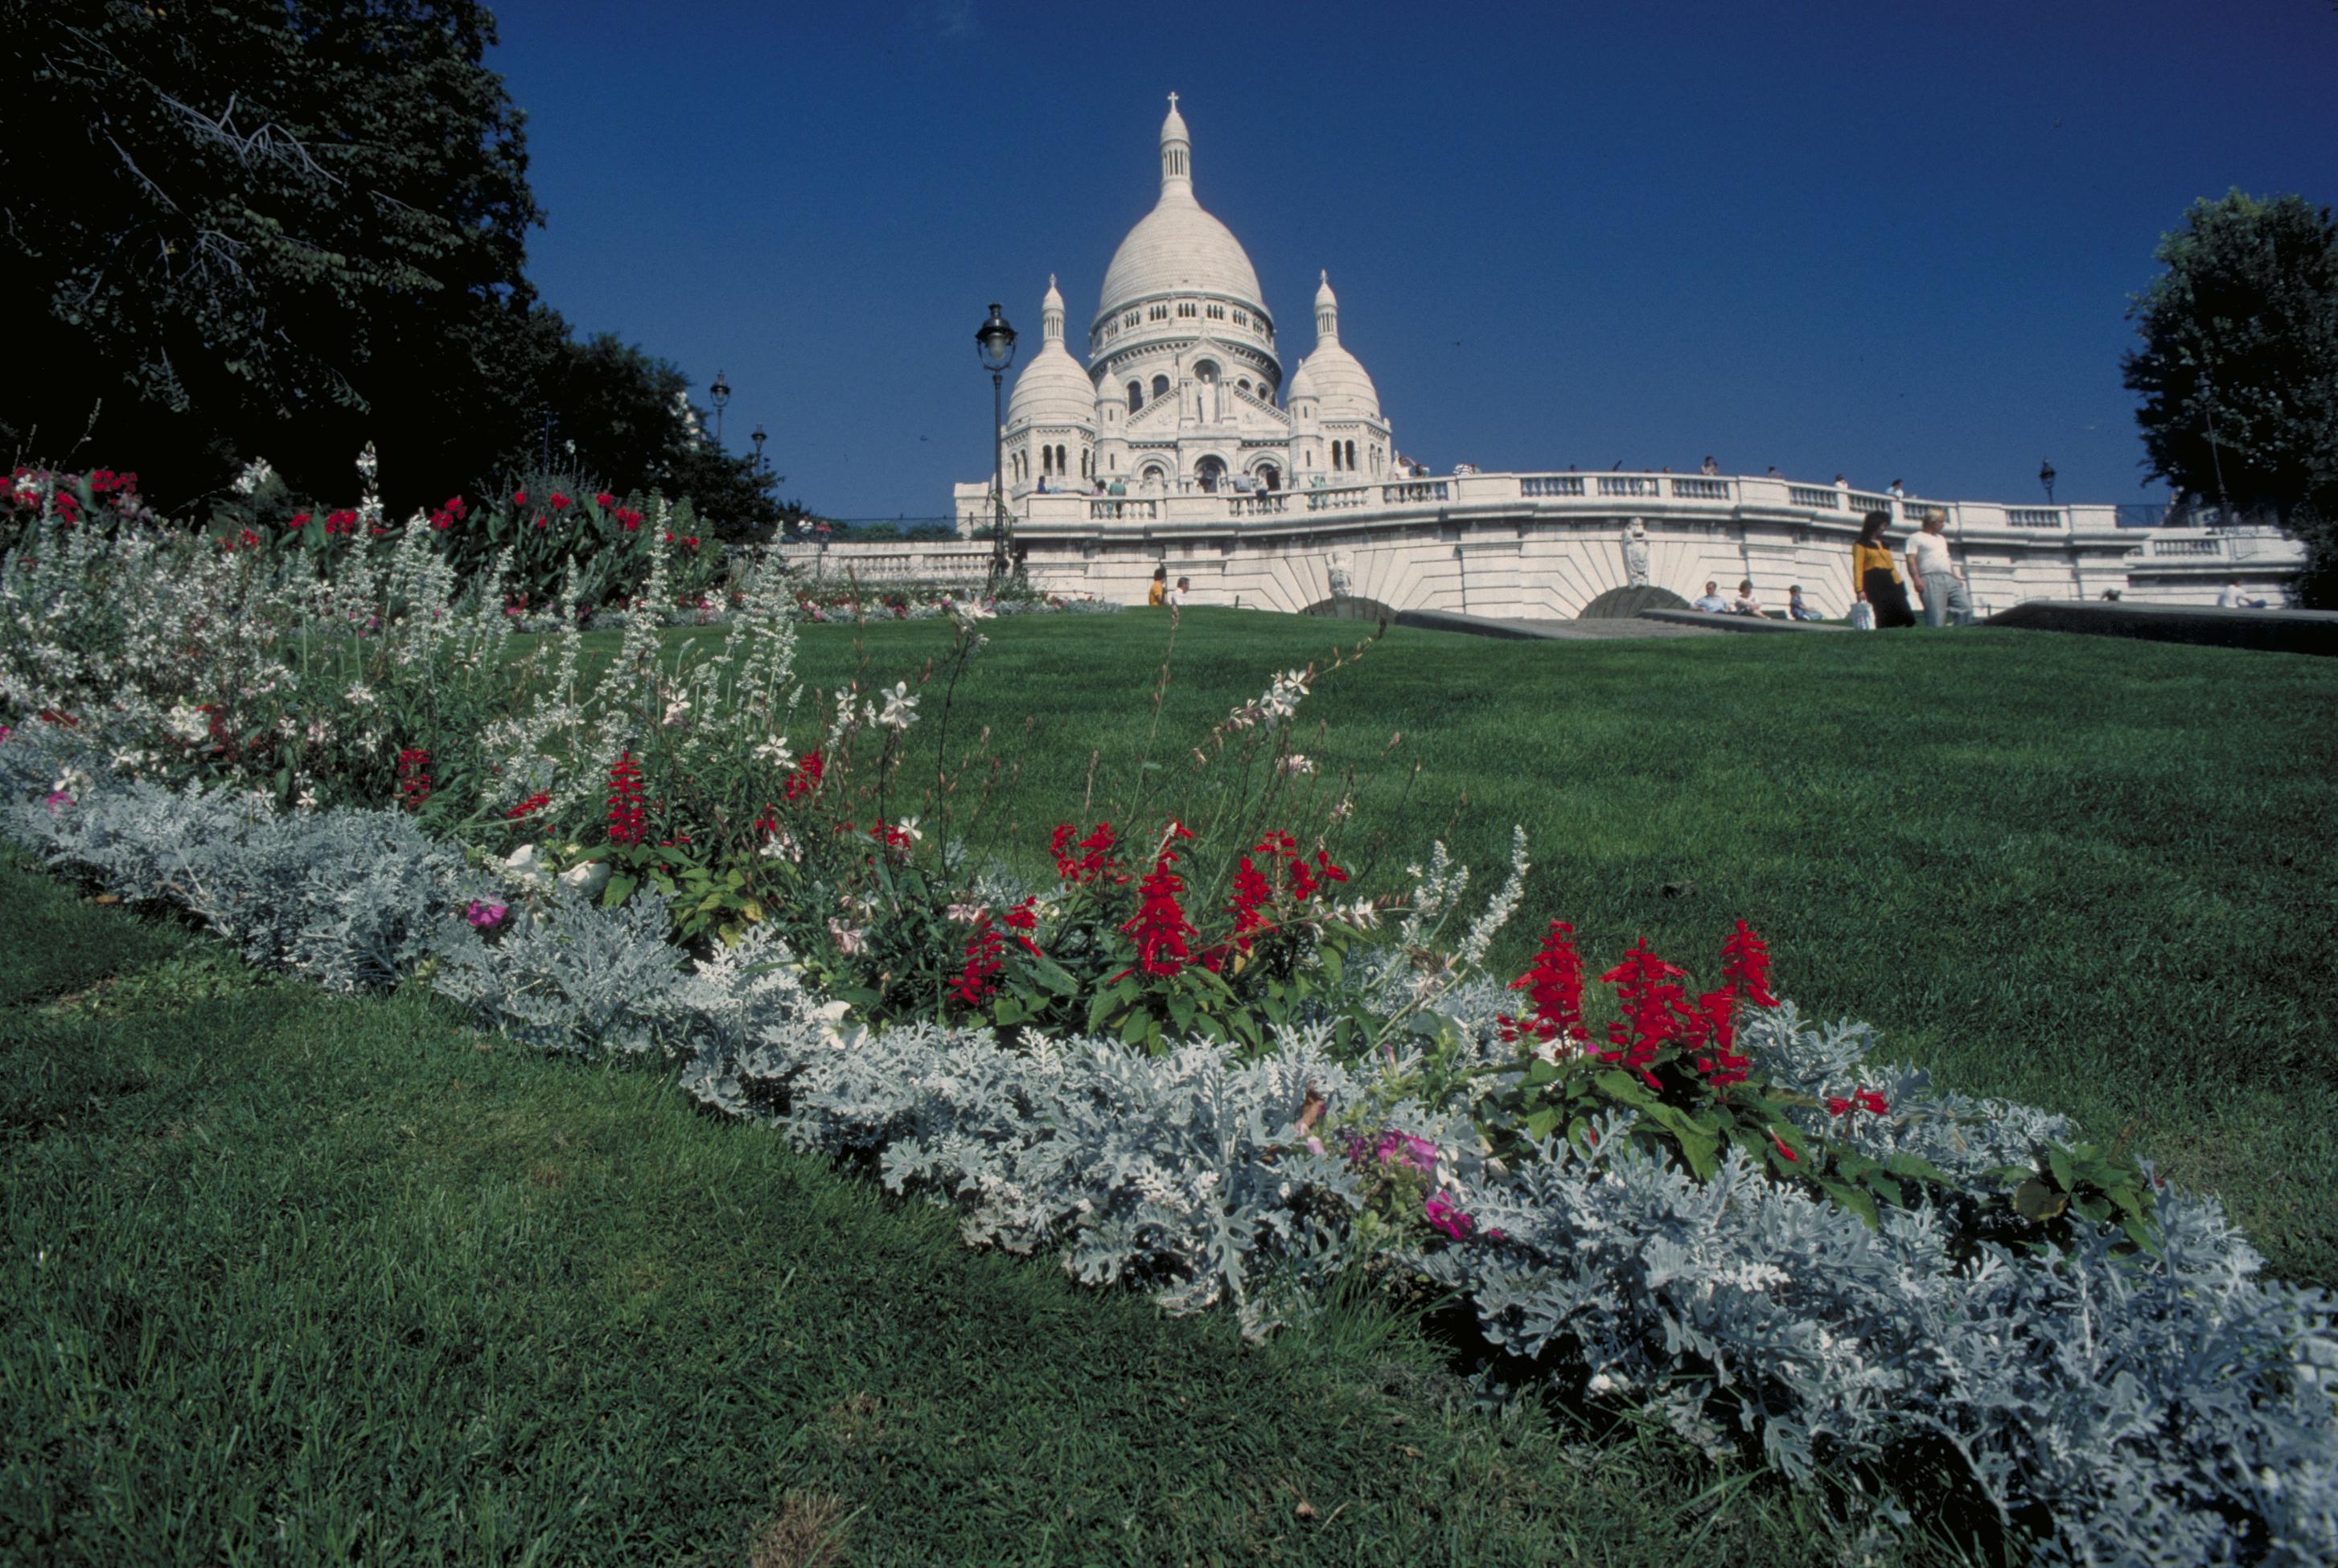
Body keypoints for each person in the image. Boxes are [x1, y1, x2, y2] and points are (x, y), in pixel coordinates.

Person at [1905, 509, 1971, 627]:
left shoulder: (1941, 539)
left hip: (1949, 578)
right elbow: (1911, 560)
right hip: (1930, 578)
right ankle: (1936, 640)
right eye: (1940, 522)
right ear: (1931, 522)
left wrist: (1955, 576)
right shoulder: (1915, 537)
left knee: (1965, 607)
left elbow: (1947, 558)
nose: (1943, 525)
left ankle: (1958, 633)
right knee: (1936, 616)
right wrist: (1916, 579)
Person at [1851, 511, 1915, 628]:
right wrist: (1859, 589)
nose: (1885, 528)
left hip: (1891, 580)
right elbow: (1858, 567)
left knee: (1905, 613)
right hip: (1874, 581)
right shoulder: (1860, 545)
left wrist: (1899, 583)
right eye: (1884, 525)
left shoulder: (1884, 544)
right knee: (1882, 615)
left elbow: (1891, 566)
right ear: (1875, 524)